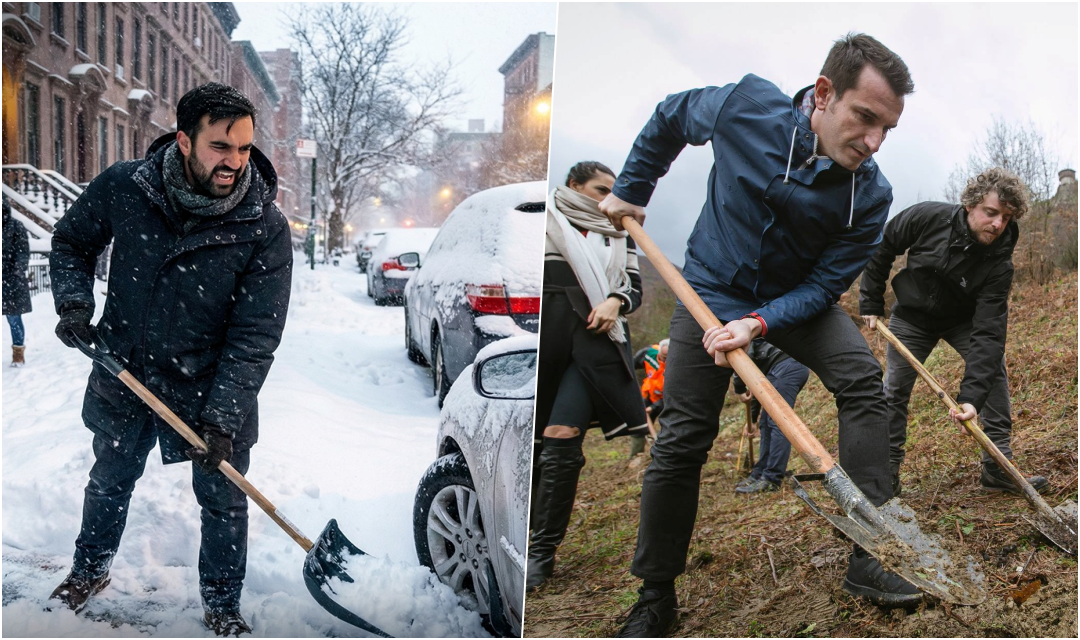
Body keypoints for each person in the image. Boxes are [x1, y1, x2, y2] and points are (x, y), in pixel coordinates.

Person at [597, 33, 918, 636]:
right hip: (709, 289)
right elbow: (670, 117)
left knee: (861, 379)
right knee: (686, 434)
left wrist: (760, 321)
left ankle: (873, 557)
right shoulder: (744, 106)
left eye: (887, 130)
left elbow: (826, 285)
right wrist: (633, 191)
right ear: (823, 94)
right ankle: (655, 594)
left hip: (794, 302)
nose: (873, 142)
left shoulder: (870, 195)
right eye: (865, 118)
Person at [47, 83, 292, 637]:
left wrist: (224, 417)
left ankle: (223, 604)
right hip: (124, 368)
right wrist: (74, 303)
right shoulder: (125, 188)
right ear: (184, 140)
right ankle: (89, 571)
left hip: (210, 383)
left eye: (245, 149)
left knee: (223, 498)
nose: (235, 162)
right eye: (220, 148)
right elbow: (71, 243)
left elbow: (254, 336)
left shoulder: (263, 226)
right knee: (109, 477)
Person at [859, 167, 1048, 496]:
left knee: (996, 375)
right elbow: (882, 246)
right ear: (970, 204)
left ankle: (998, 467)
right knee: (894, 389)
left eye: (1006, 217)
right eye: (991, 213)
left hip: (963, 319)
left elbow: (989, 334)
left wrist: (972, 399)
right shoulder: (927, 217)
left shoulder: (999, 265)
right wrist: (871, 301)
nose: (998, 224)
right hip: (913, 317)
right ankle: (887, 472)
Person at [529, 161, 650, 592]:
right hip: (545, 343)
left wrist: (616, 300)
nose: (606, 200)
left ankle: (541, 553)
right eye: (600, 190)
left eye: (611, 192)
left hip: (595, 346)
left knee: (562, 435)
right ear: (573, 186)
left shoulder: (619, 232)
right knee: (534, 441)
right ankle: (524, 527)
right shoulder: (543, 220)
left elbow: (634, 286)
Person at [731, 340, 809, 493]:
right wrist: (752, 420)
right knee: (765, 423)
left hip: (786, 367)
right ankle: (759, 473)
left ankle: (771, 478)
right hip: (778, 369)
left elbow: (743, 357)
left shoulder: (738, 334)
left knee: (778, 423)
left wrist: (739, 387)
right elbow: (756, 389)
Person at [3, 199, 32, 366]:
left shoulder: (16, 226)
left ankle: (18, 352)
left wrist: (16, 271)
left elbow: (22, 252)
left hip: (10, 281)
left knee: (14, 318)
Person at [640, 339, 669, 436]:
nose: (664, 360)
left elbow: (671, 396)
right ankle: (637, 448)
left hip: (662, 402)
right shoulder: (650, 353)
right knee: (640, 423)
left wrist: (653, 407)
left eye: (667, 357)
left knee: (665, 423)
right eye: (663, 357)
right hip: (646, 394)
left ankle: (658, 441)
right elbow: (631, 364)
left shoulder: (674, 368)